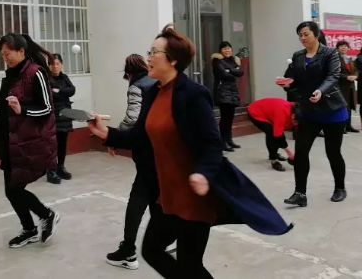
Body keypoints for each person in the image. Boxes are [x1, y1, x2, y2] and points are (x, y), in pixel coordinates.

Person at [89, 25, 293, 279]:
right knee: (152, 250)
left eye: (154, 52)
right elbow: (139, 136)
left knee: (190, 264)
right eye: (149, 51)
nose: (148, 57)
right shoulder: (152, 93)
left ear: (173, 60)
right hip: (165, 195)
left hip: (193, 196)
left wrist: (203, 174)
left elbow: (212, 143)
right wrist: (107, 134)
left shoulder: (194, 94)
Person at [0, 33, 60, 248]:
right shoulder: (11, 74)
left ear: (21, 51)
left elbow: (47, 108)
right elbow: (6, 103)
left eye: (8, 54)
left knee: (14, 189)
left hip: (28, 141)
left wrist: (22, 110)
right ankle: (31, 228)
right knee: (11, 189)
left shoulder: (36, 73)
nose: (5, 58)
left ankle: (45, 216)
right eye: (2, 55)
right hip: (10, 139)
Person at [278, 22, 348, 207]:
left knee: (333, 152)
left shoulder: (330, 53)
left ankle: (340, 188)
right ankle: (300, 193)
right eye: (300, 35)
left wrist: (320, 91)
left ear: (316, 34)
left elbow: (333, 76)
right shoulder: (298, 56)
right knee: (301, 152)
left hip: (332, 110)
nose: (302, 38)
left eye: (306, 34)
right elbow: (294, 80)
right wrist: (287, 83)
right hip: (309, 111)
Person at [106, 54, 156, 270]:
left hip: (146, 150)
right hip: (163, 149)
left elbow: (132, 118)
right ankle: (166, 240)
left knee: (138, 199)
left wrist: (115, 137)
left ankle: (128, 251)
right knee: (158, 197)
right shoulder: (158, 81)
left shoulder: (137, 86)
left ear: (128, 73)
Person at [247, 98, 297, 172]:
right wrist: (289, 153)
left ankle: (274, 154)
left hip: (268, 111)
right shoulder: (282, 113)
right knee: (272, 133)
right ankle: (273, 161)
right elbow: (278, 135)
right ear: (293, 116)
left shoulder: (296, 109)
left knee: (273, 132)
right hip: (255, 111)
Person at [48, 53, 76, 184]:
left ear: (61, 65)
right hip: (52, 114)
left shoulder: (64, 77)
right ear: (49, 66)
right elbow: (50, 94)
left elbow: (72, 90)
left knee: (63, 141)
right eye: (52, 64)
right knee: (51, 144)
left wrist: (59, 90)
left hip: (65, 114)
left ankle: (61, 167)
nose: (55, 66)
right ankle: (51, 170)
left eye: (58, 64)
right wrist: (63, 92)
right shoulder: (47, 78)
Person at [211, 41, 244, 152]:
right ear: (220, 50)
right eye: (224, 49)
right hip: (222, 91)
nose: (227, 50)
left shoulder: (233, 60)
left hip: (232, 91)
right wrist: (233, 70)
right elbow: (223, 74)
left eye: (228, 48)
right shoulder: (217, 60)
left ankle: (229, 140)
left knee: (230, 118)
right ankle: (223, 142)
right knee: (225, 118)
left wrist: (229, 70)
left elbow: (241, 72)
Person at [336, 41, 359, 134]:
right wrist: (346, 77)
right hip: (341, 86)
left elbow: (356, 70)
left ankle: (348, 125)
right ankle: (341, 127)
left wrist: (355, 76)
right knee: (341, 107)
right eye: (341, 46)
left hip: (350, 87)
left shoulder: (350, 59)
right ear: (337, 48)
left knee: (349, 106)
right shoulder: (335, 59)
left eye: (345, 46)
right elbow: (335, 73)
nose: (344, 48)